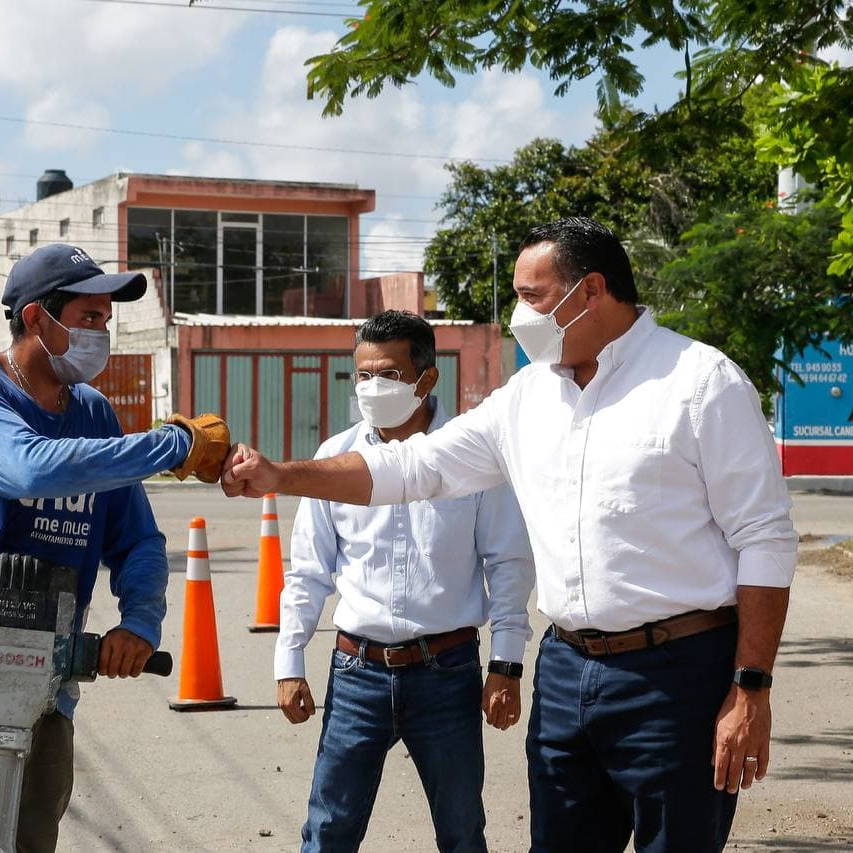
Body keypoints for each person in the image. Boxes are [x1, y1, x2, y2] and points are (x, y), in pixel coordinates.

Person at [224, 217, 798, 853]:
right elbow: (416, 465)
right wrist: (283, 474)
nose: (520, 314)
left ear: (592, 291)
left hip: (677, 676)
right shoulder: (526, 396)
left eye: (533, 297)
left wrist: (750, 689)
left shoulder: (699, 383)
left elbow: (765, 539)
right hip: (566, 670)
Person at [0, 242, 229, 853]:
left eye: (106, 320)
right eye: (87, 318)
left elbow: (138, 541)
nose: (101, 333)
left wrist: (139, 624)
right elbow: (29, 470)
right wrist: (170, 446)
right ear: (35, 319)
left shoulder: (94, 413)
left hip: (43, 681)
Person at [277, 310, 535, 853]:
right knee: (328, 830)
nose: (372, 388)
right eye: (363, 375)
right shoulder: (335, 459)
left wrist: (506, 665)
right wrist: (289, 662)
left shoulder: (473, 458)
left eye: (388, 375)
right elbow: (307, 570)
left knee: (462, 832)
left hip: (447, 672)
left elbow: (507, 562)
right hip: (356, 674)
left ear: (427, 378)